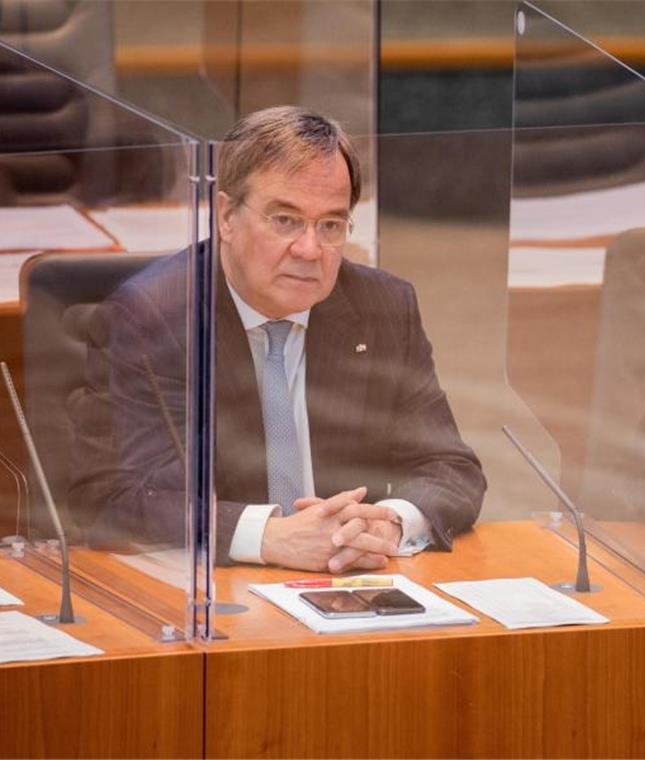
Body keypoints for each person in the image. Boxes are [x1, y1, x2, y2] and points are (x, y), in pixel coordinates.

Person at [71, 106, 486, 574]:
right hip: (218, 595)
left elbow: (452, 468)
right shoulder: (154, 317)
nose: (310, 250)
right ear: (226, 216)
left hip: (350, 582)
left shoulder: (383, 306)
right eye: (285, 220)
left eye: (330, 225)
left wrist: (388, 523)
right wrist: (268, 536)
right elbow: (111, 498)